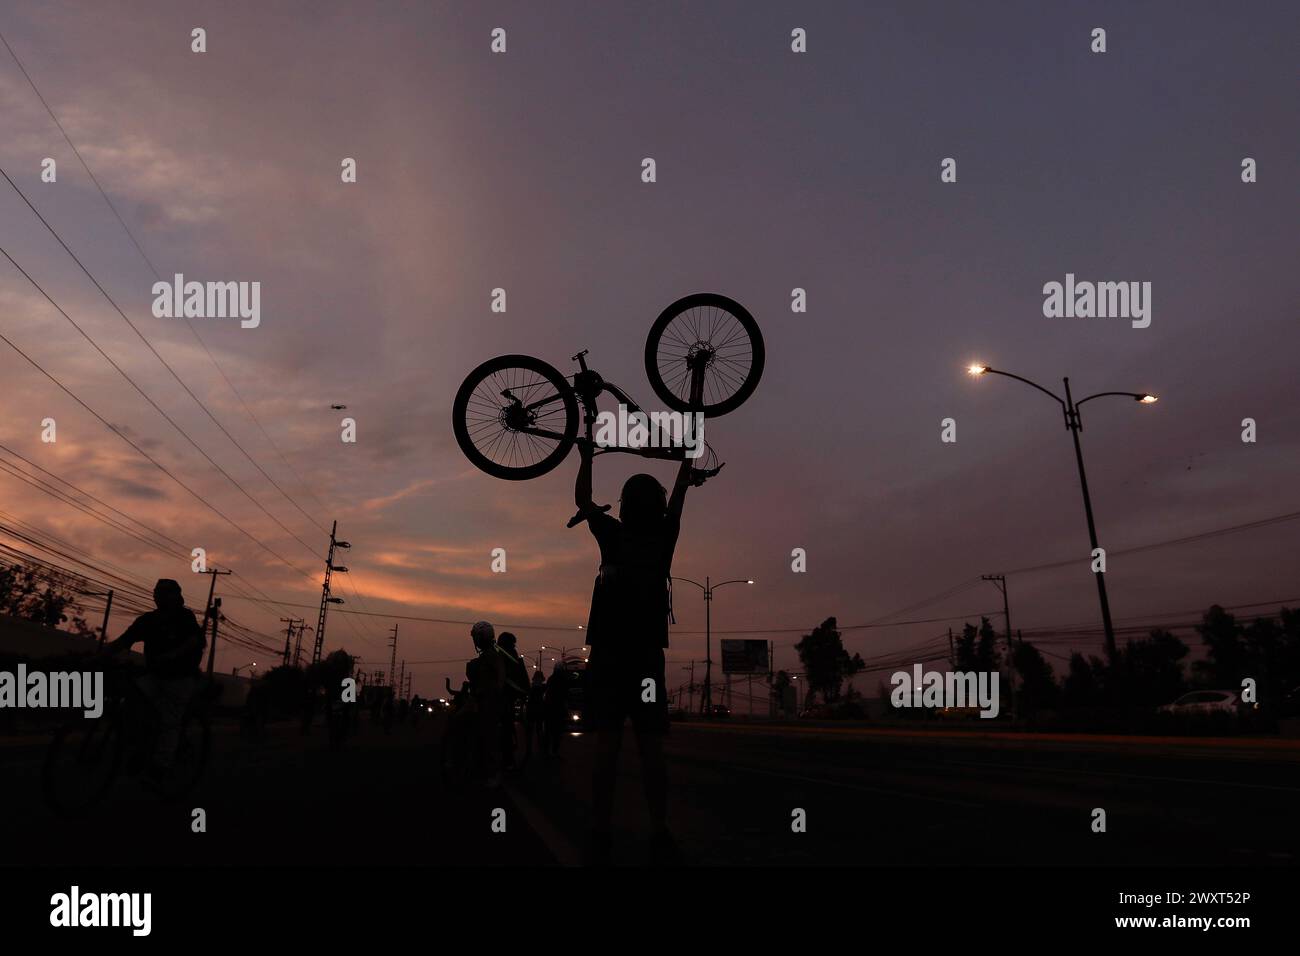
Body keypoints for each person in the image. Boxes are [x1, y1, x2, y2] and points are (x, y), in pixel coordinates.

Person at [574, 438, 695, 865]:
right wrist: (686, 462)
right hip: (646, 661)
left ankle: (600, 830)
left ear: (624, 505)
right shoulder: (664, 538)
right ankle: (659, 830)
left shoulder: (612, 534)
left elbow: (584, 499)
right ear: (656, 505)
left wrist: (585, 455)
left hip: (608, 658)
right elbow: (679, 498)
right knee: (650, 749)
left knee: (606, 747)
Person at [102, 578, 205, 776]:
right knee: (131, 702)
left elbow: (194, 641)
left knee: (169, 722)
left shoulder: (185, 617)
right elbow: (123, 641)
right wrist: (98, 657)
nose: (159, 596)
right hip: (154, 675)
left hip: (180, 678)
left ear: (176, 596)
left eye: (165, 592)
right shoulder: (148, 620)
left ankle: (162, 766)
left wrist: (172, 655)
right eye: (157, 592)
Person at [465, 620, 504, 785]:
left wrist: (493, 692)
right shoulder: (485, 656)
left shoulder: (493, 656)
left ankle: (494, 774)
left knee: (488, 736)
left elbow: (500, 678)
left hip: (489, 701)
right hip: (481, 699)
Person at [496, 632, 530, 769]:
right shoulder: (510, 655)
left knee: (505, 726)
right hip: (508, 695)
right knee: (506, 726)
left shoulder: (502, 655)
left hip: (505, 695)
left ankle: (508, 759)